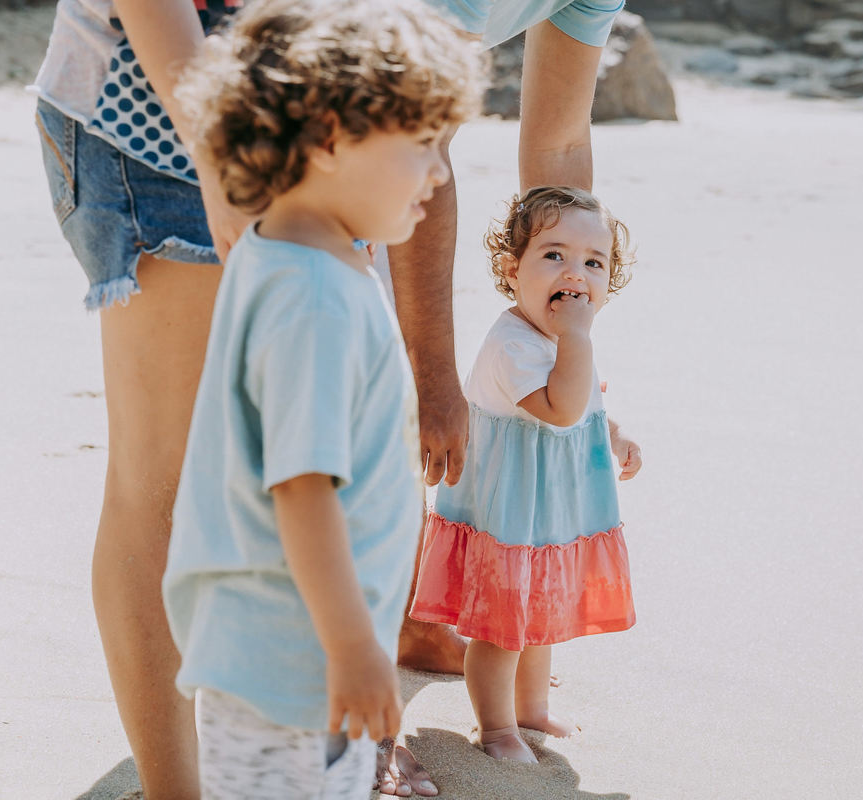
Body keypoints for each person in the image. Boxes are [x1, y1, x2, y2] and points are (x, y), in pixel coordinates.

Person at [156, 0, 483, 795]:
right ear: (334, 138)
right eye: (423, 145)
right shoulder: (316, 300)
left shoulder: (286, 252)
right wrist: (354, 651)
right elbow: (301, 489)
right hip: (294, 665)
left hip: (280, 651)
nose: (440, 174)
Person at [409, 186, 642, 762]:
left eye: (594, 262)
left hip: (553, 511)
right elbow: (560, 408)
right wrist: (578, 337)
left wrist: (614, 434)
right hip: (508, 512)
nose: (576, 272)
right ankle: (495, 728)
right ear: (513, 271)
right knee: (500, 627)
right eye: (554, 255)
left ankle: (531, 710)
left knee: (542, 616)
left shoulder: (566, 339)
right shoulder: (515, 343)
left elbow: (585, 404)